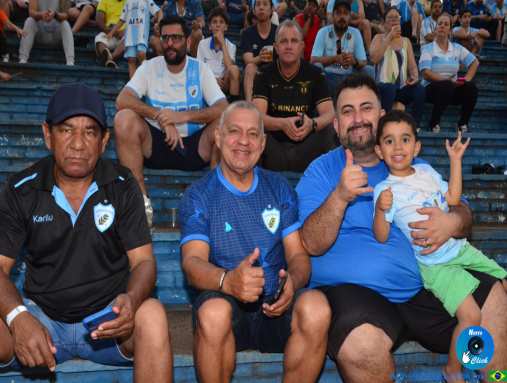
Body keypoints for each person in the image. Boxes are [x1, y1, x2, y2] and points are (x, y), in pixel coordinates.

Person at [295, 73, 507, 383]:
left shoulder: (405, 158)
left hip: (425, 284)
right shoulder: (321, 171)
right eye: (347, 111)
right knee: (362, 345)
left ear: (381, 116)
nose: (358, 119)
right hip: (359, 294)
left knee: (494, 301)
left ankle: (493, 377)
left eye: (366, 108)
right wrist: (339, 196)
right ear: (336, 124)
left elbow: (462, 210)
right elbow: (311, 244)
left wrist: (452, 221)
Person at [0, 84, 172, 382]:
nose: (78, 143)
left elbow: (144, 262)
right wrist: (18, 318)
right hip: (43, 321)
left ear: (104, 140)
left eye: (90, 132)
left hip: (107, 322)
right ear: (47, 135)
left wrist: (131, 300)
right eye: (66, 130)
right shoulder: (22, 188)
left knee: (153, 314)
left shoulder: (122, 184)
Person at [179, 100, 331, 383]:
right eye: (235, 131)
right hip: (226, 307)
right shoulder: (198, 195)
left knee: (317, 306)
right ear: (218, 137)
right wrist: (228, 281)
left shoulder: (279, 187)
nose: (243, 142)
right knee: (213, 311)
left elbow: (298, 256)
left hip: (275, 307)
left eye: (252, 134)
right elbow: (192, 263)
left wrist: (293, 284)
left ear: (262, 144)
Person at [373, 110, 507, 382]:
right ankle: (453, 369)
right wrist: (379, 210)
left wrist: (455, 161)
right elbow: (381, 236)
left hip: (459, 248)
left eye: (405, 139)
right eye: (389, 141)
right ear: (379, 150)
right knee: (470, 315)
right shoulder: (385, 190)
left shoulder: (426, 171)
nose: (398, 147)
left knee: (503, 282)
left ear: (417, 146)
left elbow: (454, 198)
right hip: (436, 264)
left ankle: (492, 374)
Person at [114, 15, 228, 227]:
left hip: (194, 145)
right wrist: (161, 116)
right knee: (124, 119)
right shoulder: (149, 67)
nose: (170, 44)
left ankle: (217, 201)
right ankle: (140, 204)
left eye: (176, 38)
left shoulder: (200, 69)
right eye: (165, 38)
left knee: (225, 125)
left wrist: (182, 116)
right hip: (156, 144)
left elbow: (223, 108)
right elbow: (122, 99)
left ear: (187, 41)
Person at [252, 20, 336, 172]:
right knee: (253, 130)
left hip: (306, 148)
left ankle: (328, 184)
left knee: (330, 130)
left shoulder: (315, 74)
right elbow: (257, 116)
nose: (289, 46)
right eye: (284, 41)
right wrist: (282, 124)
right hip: (273, 148)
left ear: (302, 47)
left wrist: (313, 124)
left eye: (294, 41)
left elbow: (329, 113)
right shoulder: (263, 74)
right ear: (276, 47)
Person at [420, 12, 479, 133]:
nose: (442, 26)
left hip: (451, 89)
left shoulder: (456, 48)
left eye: (446, 24)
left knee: (471, 87)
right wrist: (448, 81)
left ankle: (463, 124)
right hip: (430, 90)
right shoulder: (428, 48)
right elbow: (426, 73)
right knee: (446, 86)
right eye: (440, 23)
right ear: (436, 28)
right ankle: (434, 123)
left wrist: (465, 80)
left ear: (450, 30)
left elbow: (475, 62)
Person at [369, 6, 425, 125]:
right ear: (384, 23)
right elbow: (374, 59)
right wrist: (389, 36)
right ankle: (384, 123)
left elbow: (412, 67)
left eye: (397, 17)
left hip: (401, 88)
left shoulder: (406, 41)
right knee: (389, 88)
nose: (394, 20)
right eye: (390, 18)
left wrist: (414, 77)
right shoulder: (378, 38)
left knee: (419, 89)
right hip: (382, 87)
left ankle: (415, 125)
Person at [311, 0, 370, 98]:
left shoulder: (355, 33)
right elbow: (313, 60)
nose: (342, 17)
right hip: (328, 76)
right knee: (317, 67)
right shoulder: (323, 32)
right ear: (333, 16)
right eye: (338, 13)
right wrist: (335, 59)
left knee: (369, 70)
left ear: (349, 17)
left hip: (349, 76)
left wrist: (354, 61)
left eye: (345, 13)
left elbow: (363, 61)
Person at [107, 0, 162, 78]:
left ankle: (147, 80)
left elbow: (159, 11)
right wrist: (111, 32)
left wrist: (159, 23)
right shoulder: (127, 2)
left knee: (141, 54)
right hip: (130, 36)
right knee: (131, 60)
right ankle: (133, 85)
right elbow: (122, 19)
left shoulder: (147, 1)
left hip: (141, 34)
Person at [196, 7, 241, 100]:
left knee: (234, 69)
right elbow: (199, 68)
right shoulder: (202, 43)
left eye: (221, 22)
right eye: (214, 22)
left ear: (226, 27)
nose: (218, 25)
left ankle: (233, 104)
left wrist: (223, 44)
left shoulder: (231, 46)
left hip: (224, 83)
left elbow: (230, 68)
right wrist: (213, 80)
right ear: (209, 26)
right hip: (207, 81)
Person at [240, 0, 276, 101]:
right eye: (258, 5)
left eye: (265, 4)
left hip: (274, 69)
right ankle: (249, 105)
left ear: (272, 9)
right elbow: (248, 60)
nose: (261, 7)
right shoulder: (247, 33)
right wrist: (260, 58)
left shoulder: (278, 31)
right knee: (250, 67)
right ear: (254, 11)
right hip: (255, 71)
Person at [18, 0, 75, 65]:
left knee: (65, 24)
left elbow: (66, 15)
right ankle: (23, 59)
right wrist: (41, 14)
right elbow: (31, 12)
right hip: (40, 32)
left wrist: (55, 14)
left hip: (55, 33)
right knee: (29, 21)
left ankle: (70, 61)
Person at [94, 0, 126, 68]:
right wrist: (111, 31)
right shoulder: (104, 1)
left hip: (124, 34)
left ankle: (110, 58)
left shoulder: (131, 2)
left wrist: (125, 31)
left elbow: (136, 22)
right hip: (109, 32)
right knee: (99, 39)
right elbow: (99, 20)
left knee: (129, 40)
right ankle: (108, 56)